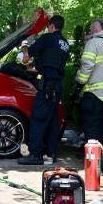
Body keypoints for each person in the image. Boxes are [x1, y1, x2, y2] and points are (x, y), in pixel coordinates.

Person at [18, 15, 70, 165]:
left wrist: (25, 51)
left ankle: (35, 154)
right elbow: (52, 63)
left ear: (52, 26)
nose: (47, 28)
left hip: (47, 86)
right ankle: (51, 153)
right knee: (53, 121)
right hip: (58, 86)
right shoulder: (65, 43)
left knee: (38, 118)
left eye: (48, 26)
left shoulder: (48, 38)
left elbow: (27, 57)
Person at [72, 19, 103, 150]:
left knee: (92, 125)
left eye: (90, 29)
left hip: (93, 93)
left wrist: (79, 82)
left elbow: (86, 67)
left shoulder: (92, 43)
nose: (89, 32)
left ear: (95, 29)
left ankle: (93, 156)